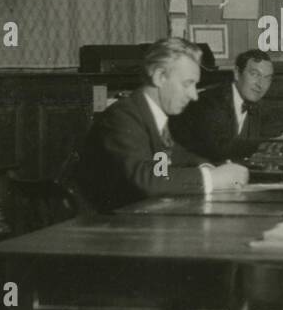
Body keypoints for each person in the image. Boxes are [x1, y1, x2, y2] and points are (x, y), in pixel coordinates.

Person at [77, 38, 249, 212]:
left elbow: (174, 156)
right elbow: (147, 179)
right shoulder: (121, 116)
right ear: (160, 77)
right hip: (100, 228)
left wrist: (209, 167)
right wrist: (211, 179)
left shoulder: (150, 114)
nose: (194, 95)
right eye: (187, 84)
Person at [171, 49, 283, 164]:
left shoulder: (257, 105)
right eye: (254, 74)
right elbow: (221, 148)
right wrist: (280, 142)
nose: (260, 84)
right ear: (237, 73)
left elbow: (280, 130)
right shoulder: (210, 101)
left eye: (267, 78)